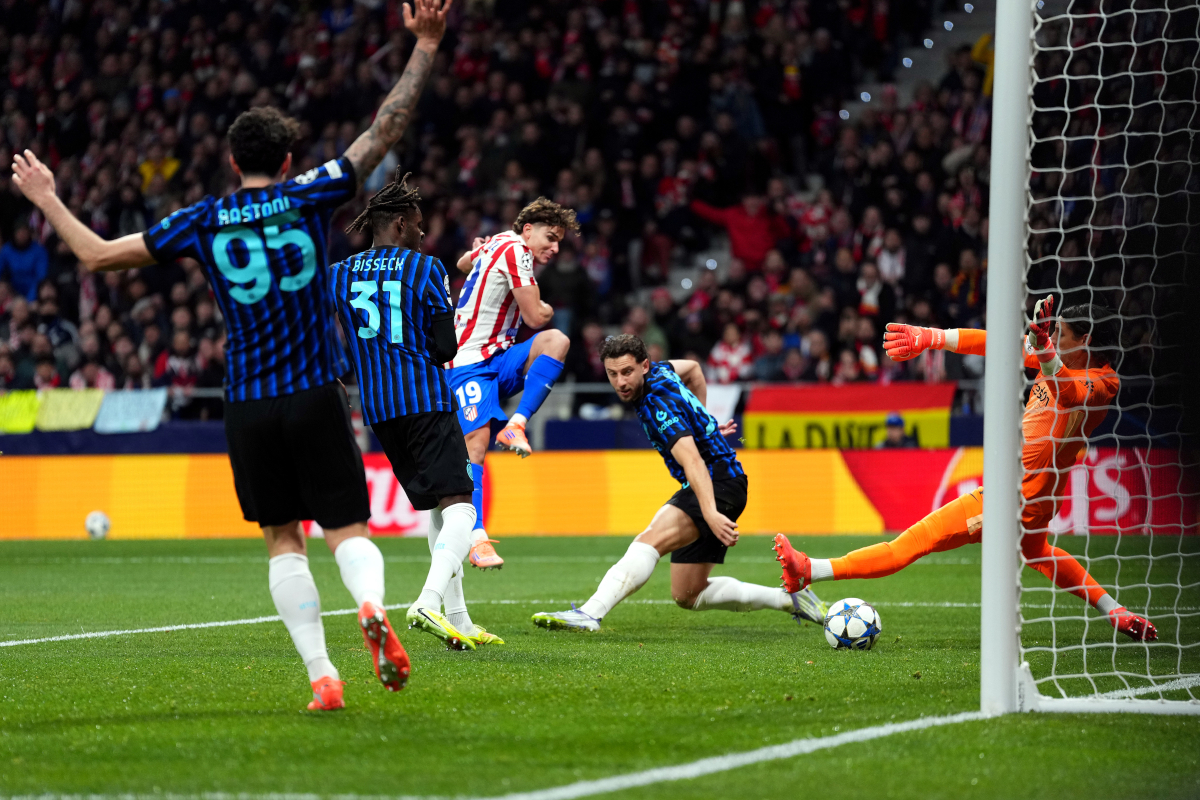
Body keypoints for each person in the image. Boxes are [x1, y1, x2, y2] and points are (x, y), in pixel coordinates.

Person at [11, 0, 453, 710]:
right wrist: (425, 45)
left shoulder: (203, 219)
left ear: (229, 160)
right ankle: (369, 606)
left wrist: (48, 198)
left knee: (282, 539)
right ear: (285, 161)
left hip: (248, 403)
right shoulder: (310, 193)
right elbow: (385, 129)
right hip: (315, 393)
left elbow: (93, 256)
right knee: (345, 530)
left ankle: (323, 677)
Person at [774, 300, 1157, 641]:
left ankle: (808, 570)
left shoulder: (1103, 384)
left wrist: (1044, 350)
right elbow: (995, 343)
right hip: (1041, 501)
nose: (1052, 336)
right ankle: (1116, 611)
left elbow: (1069, 393)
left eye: (1060, 333)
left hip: (1015, 498)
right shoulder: (1053, 355)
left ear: (1085, 339)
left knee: (909, 544)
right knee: (1038, 552)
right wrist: (931, 337)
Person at [530, 334, 826, 632]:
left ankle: (590, 613)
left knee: (648, 542)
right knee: (688, 593)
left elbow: (694, 461)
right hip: (726, 482)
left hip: (716, 483)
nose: (620, 382)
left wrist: (709, 512)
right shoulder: (661, 370)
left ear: (644, 366)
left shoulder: (657, 407)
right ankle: (792, 599)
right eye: (613, 374)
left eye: (627, 372)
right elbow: (694, 369)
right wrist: (704, 422)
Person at [331, 169, 499, 651]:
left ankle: (460, 620)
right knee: (464, 506)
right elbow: (446, 346)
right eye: (419, 223)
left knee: (440, 510)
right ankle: (427, 600)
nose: (424, 231)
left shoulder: (339, 275)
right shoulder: (426, 269)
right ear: (401, 225)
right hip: (425, 399)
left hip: (380, 411)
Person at [446, 198, 577, 570]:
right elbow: (536, 316)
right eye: (550, 238)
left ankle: (516, 425)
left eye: (559, 243)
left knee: (558, 343)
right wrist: (548, 308)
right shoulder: (517, 250)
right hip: (468, 362)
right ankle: (477, 538)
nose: (554, 248)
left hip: (499, 357)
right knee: (476, 444)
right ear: (528, 230)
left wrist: (476, 253)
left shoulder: (497, 243)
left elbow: (460, 263)